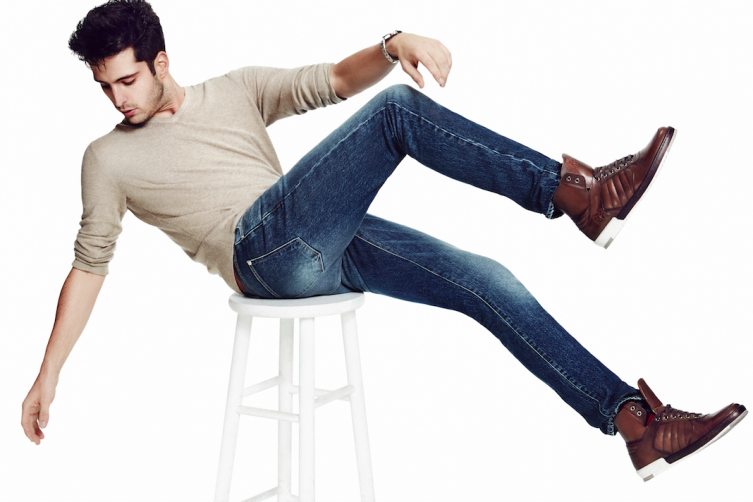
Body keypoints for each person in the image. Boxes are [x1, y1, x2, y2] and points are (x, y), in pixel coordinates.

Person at [21, 0, 746, 484]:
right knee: (397, 112)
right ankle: (578, 195)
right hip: (260, 256)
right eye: (106, 88)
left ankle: (632, 422)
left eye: (127, 80)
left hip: (320, 244)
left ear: (160, 60)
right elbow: (90, 266)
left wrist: (392, 43)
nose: (119, 99)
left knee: (484, 280)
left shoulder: (235, 89)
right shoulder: (106, 159)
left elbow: (337, 81)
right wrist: (48, 375)